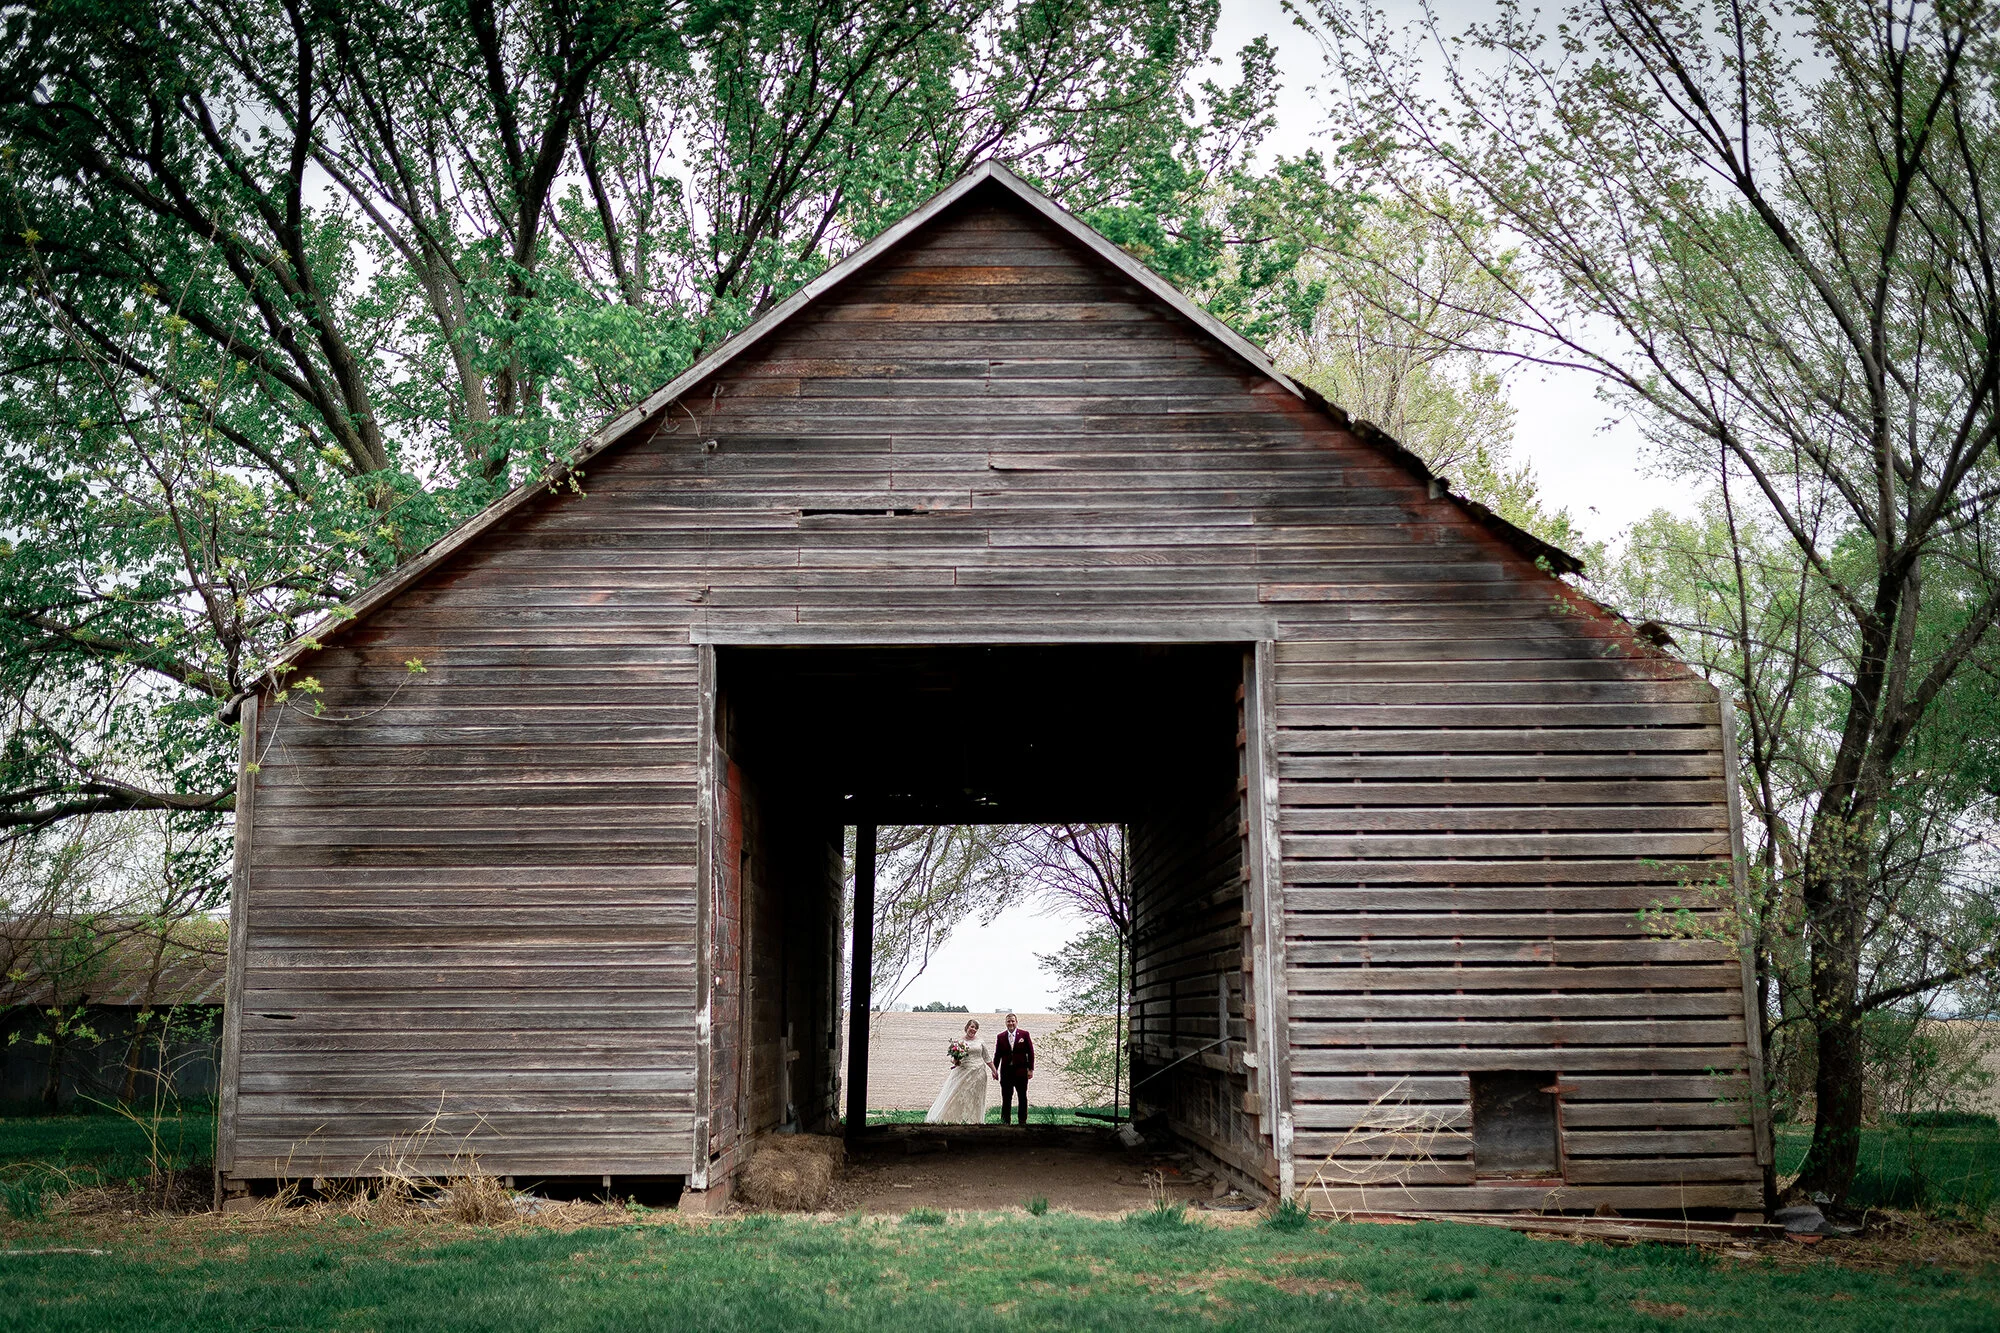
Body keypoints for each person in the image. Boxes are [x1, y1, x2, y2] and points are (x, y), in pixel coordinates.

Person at [923, 1018, 994, 1124]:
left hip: (979, 1073)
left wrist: (994, 1070)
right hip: (964, 1071)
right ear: (967, 1027)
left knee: (975, 1097)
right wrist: (955, 1060)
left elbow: (986, 1057)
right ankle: (952, 1118)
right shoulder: (959, 1042)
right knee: (957, 1094)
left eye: (975, 1028)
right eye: (972, 1027)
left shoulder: (980, 1042)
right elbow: (953, 1059)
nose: (973, 1029)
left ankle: (975, 1120)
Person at [992, 1012, 1034, 1125]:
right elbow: (997, 1054)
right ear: (1006, 1023)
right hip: (1006, 1072)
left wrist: (1030, 1069)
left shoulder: (1024, 1035)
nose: (1011, 1023)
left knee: (1022, 1097)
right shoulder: (1000, 1037)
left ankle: (1022, 1121)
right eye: (1008, 1021)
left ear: (1016, 1022)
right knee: (1006, 1098)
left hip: (1021, 1071)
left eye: (1013, 1021)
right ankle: (1005, 1122)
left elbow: (1030, 1052)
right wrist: (994, 1070)